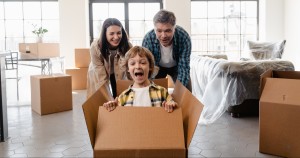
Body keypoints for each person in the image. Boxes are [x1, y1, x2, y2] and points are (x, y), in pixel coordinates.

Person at [103, 46, 177, 113]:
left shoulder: (162, 92)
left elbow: (173, 105)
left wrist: (171, 104)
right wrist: (112, 106)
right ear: (128, 69)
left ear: (150, 67)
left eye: (143, 62)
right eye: (132, 63)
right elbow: (118, 119)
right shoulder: (123, 97)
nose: (138, 66)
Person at [142, 9, 192, 91]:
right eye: (159, 31)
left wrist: (179, 92)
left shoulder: (184, 37)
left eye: (168, 31)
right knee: (154, 95)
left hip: (178, 67)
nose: (163, 35)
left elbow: (184, 67)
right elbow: (147, 67)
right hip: (157, 68)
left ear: (174, 28)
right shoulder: (148, 39)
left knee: (185, 94)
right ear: (154, 29)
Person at [87, 18, 132, 99]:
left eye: (119, 33)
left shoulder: (128, 46)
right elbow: (101, 78)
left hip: (118, 71)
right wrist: (109, 99)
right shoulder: (95, 47)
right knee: (100, 96)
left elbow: (128, 70)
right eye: (111, 34)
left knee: (119, 95)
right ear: (105, 34)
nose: (116, 37)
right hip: (98, 71)